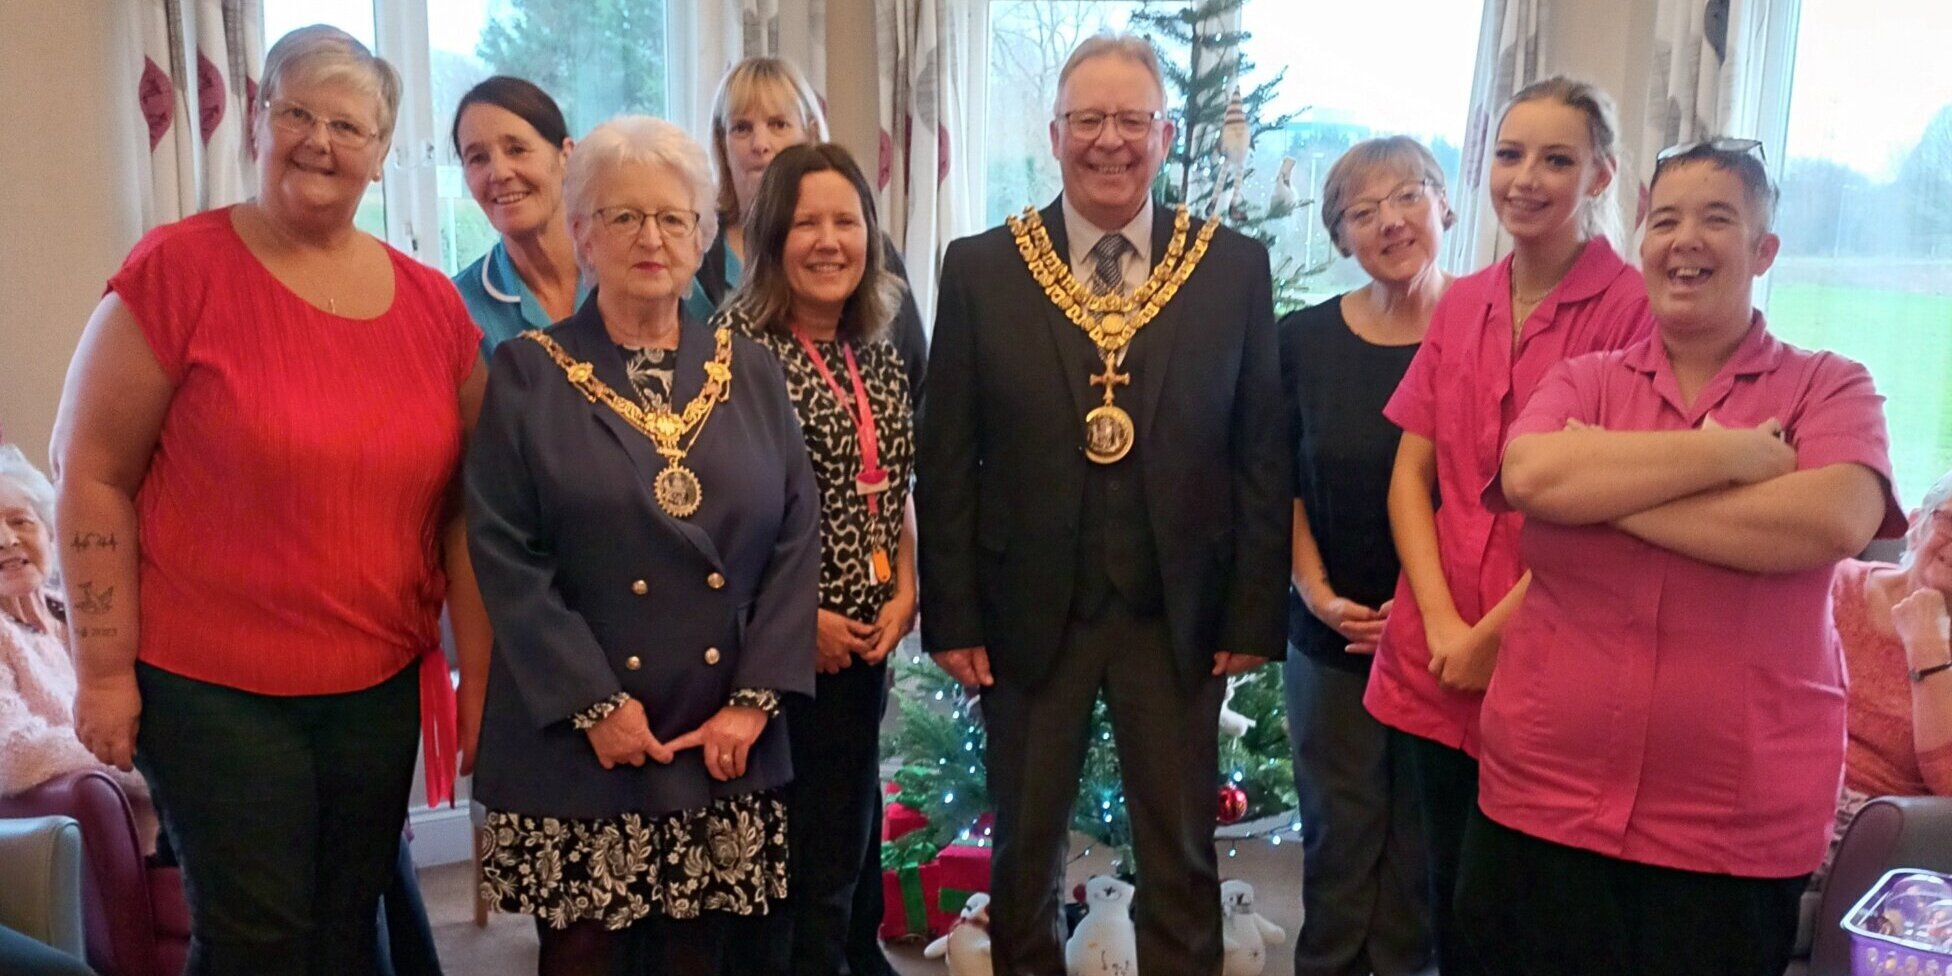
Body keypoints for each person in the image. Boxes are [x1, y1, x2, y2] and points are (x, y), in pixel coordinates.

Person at [52, 25, 487, 975]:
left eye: (349, 125)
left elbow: (467, 508)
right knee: (259, 940)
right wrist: (103, 671)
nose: (320, 141)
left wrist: (482, 678)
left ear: (382, 150)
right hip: (210, 688)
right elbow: (90, 473)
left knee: (349, 924)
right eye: (297, 113)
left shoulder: (433, 309)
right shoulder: (177, 273)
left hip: (376, 683)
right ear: (255, 120)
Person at [1460, 138, 1907, 975]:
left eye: (1717, 219)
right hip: (1543, 799)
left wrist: (1606, 491)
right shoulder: (1585, 379)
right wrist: (1726, 456)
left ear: (1764, 250)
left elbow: (1830, 522)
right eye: (1664, 220)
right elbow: (1531, 477)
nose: (1685, 240)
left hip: (1733, 827)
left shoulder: (1830, 385)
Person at [917, 32, 1289, 975]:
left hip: (1178, 615)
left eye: (1132, 120)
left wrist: (1253, 612)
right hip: (1026, 613)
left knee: (1181, 856)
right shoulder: (982, 268)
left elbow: (1260, 451)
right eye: (1088, 119)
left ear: (1166, 135)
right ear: (1054, 134)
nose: (1110, 141)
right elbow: (947, 458)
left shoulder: (1230, 268)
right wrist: (952, 614)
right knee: (1024, 856)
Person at [465, 114, 819, 976]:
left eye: (672, 218)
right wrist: (595, 705)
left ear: (702, 237)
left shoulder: (752, 370)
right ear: (582, 233)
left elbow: (796, 536)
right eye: (623, 216)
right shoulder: (527, 372)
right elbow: (506, 553)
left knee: (700, 953)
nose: (650, 238)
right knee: (582, 953)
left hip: (716, 724)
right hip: (578, 730)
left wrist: (754, 701)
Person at [1364, 76, 1650, 976]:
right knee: (1446, 902)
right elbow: (1411, 477)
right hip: (1433, 651)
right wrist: (1443, 626)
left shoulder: (1635, 309)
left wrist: (1491, 637)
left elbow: (1614, 508)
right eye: (1510, 155)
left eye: (1556, 159)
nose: (1526, 179)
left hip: (1550, 654)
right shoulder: (1464, 300)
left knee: (1532, 917)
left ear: (1600, 175)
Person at [717, 142, 918, 976]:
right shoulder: (734, 351)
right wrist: (798, 623)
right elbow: (717, 520)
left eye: (847, 221)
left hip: (865, 640)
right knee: (800, 867)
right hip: (780, 653)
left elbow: (890, 478)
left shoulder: (875, 338)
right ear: (772, 236)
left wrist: (907, 585)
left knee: (850, 840)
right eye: (807, 223)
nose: (829, 241)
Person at [1279, 138, 1452, 976]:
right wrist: (1314, 593)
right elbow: (1277, 482)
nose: (1391, 222)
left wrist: (1422, 618)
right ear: (1341, 236)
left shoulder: (1487, 335)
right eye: (1363, 210)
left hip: (1449, 643)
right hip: (1331, 636)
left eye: (1409, 197)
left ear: (1445, 205)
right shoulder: (1301, 341)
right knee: (1338, 849)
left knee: (1422, 858)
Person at [698, 57, 928, 408]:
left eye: (778, 124)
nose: (760, 143)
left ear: (810, 133)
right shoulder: (697, 255)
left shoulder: (868, 250)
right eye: (742, 128)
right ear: (721, 143)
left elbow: (917, 386)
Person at [0, 445, 155, 847]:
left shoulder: (90, 616)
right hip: (95, 832)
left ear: (51, 534)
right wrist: (143, 767)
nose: (7, 539)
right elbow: (12, 753)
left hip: (162, 820)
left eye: (20, 521)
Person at [1815, 471, 1952, 889]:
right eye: (1949, 522)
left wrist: (1928, 648)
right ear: (1916, 523)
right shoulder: (1833, 584)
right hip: (1773, 785)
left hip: (1875, 834)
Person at [451, 76, 588, 361]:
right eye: (478, 158)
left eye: (517, 150)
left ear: (566, 156)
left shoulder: (631, 272)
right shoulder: (456, 309)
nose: (499, 173)